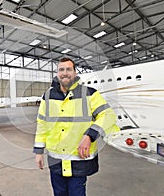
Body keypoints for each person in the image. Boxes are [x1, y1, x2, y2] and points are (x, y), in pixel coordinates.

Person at [33, 57, 120, 196]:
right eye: (61, 69)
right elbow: (42, 124)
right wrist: (38, 151)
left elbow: (108, 115)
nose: (65, 73)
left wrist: (89, 135)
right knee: (59, 193)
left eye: (68, 69)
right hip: (56, 160)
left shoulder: (89, 94)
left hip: (78, 160)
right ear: (57, 73)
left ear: (75, 73)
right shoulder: (47, 96)